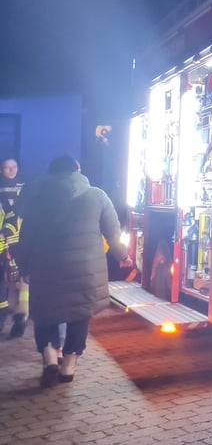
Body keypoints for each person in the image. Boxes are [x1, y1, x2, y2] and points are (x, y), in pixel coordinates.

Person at [15, 154, 131, 387]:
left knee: (45, 313)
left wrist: (24, 266)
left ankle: (49, 359)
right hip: (85, 270)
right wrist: (123, 256)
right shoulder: (97, 196)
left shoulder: (37, 199)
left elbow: (25, 237)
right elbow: (113, 233)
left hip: (45, 267)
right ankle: (68, 366)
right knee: (79, 316)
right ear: (77, 170)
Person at [0, 156, 26, 338]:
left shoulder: (25, 188)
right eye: (7, 168)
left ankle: (21, 318)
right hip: (4, 243)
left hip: (20, 241)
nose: (11, 171)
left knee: (22, 283)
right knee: (3, 283)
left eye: (14, 167)